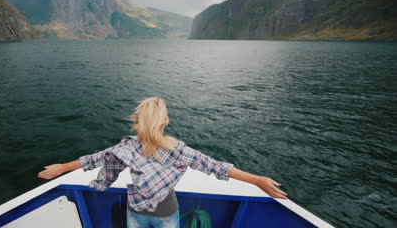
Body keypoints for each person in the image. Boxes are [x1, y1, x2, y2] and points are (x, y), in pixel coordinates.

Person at [38, 97, 288, 228]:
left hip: (134, 212)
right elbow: (215, 166)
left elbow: (96, 159)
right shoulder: (178, 150)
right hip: (166, 213)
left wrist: (63, 167)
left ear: (139, 121)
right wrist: (257, 180)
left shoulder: (127, 146)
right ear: (164, 121)